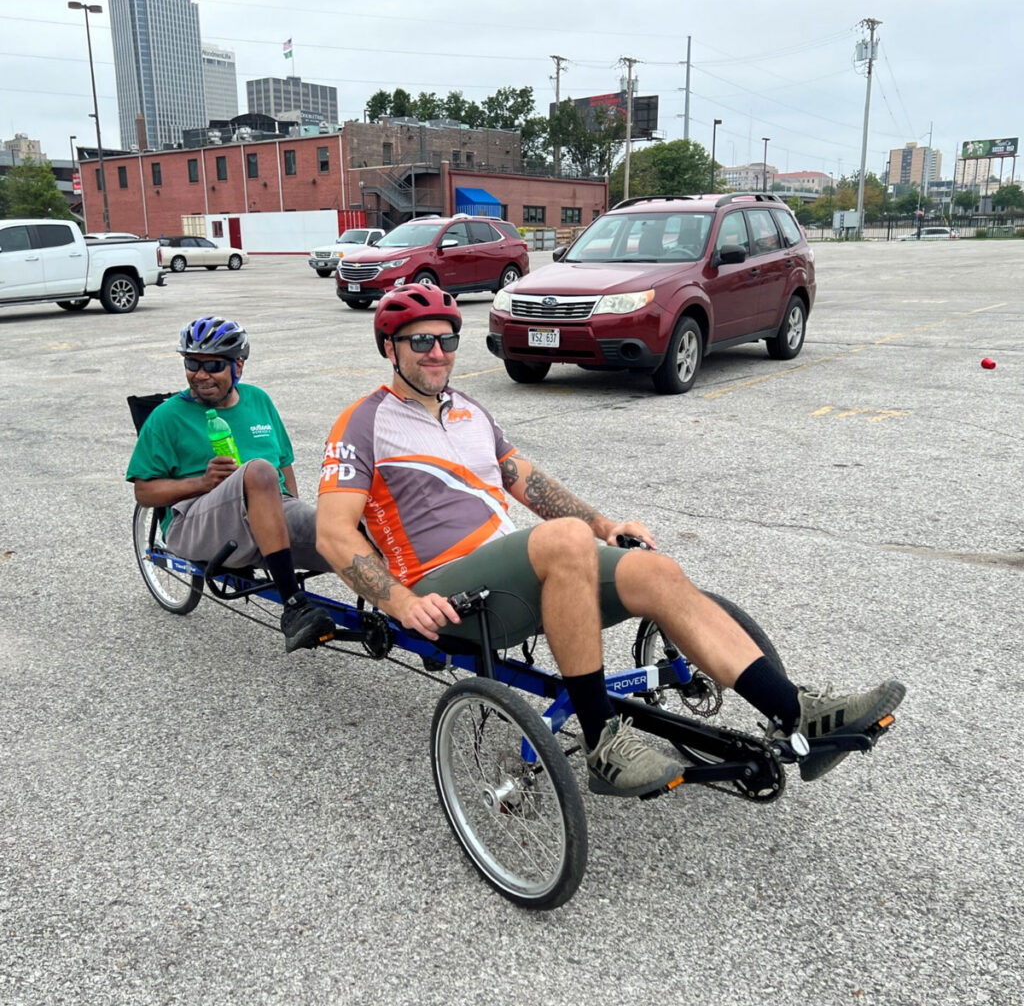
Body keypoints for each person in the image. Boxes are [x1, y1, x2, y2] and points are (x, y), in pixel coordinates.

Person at [316, 283, 905, 797]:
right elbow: (334, 533)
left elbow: (531, 483)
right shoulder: (363, 424)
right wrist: (399, 601)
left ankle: (797, 713)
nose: (437, 352)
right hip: (446, 593)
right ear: (390, 348)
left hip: (513, 576)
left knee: (655, 571)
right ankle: (603, 744)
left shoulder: (470, 412)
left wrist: (603, 525)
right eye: (420, 341)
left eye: (447, 339)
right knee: (563, 540)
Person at [127, 316, 335, 653]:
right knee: (258, 471)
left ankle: (415, 619)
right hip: (196, 519)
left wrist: (290, 520)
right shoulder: (166, 417)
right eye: (192, 363)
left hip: (268, 509)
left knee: (350, 535)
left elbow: (285, 466)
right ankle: (294, 606)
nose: (201, 374)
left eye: (213, 366)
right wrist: (202, 482)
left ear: (238, 366)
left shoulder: (259, 401)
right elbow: (144, 492)